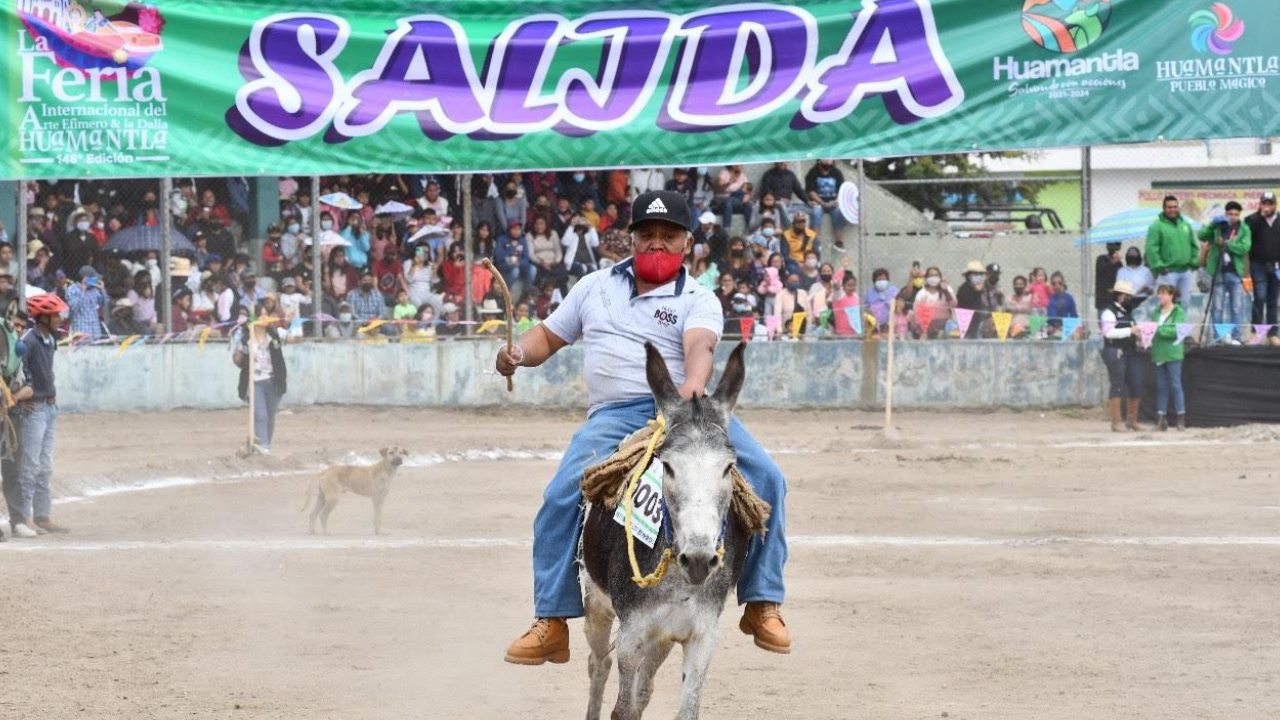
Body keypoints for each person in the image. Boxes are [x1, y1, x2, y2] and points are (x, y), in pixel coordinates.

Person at [496, 190, 790, 664]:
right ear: (629, 239)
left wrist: (691, 392)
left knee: (769, 478)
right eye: (646, 234)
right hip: (613, 417)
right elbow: (548, 336)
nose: (657, 244)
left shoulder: (699, 298)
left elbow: (700, 347)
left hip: (687, 409)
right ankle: (551, 619)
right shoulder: (593, 287)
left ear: (687, 243)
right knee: (559, 496)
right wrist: (517, 355)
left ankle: (762, 601)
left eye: (668, 236)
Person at [15, 293, 71, 535]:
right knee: (30, 465)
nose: (59, 318)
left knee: (45, 465)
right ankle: (24, 516)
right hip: (35, 407)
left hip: (48, 406)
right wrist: (20, 401)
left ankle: (42, 514)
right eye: (55, 315)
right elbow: (18, 372)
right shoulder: (29, 341)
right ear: (43, 317)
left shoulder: (50, 339)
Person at [232, 304, 292, 453]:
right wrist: (238, 356)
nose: (265, 317)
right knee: (260, 415)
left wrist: (293, 324)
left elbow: (295, 338)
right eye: (261, 315)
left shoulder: (275, 334)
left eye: (266, 314)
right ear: (254, 319)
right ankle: (263, 447)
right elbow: (238, 361)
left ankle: (261, 443)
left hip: (274, 382)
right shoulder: (245, 338)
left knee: (270, 416)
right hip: (254, 383)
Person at [1, 297, 34, 539]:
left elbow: (30, 386)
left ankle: (18, 521)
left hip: (12, 416)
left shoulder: (19, 357)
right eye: (16, 325)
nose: (18, 330)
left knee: (13, 470)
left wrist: (10, 396)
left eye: (22, 326)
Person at [1198, 201, 1252, 345]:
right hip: (1218, 271)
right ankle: (1217, 337)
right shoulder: (1218, 226)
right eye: (1230, 214)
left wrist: (1227, 244)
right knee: (1217, 307)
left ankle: (1236, 337)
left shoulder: (1244, 229)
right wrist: (1212, 225)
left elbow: (1245, 247)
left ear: (1239, 215)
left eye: (1236, 214)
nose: (1233, 217)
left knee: (1237, 306)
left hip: (1235, 272)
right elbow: (1201, 236)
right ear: (1225, 214)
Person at [1099, 281, 1143, 432]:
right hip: (1114, 350)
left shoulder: (1128, 313)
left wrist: (1141, 335)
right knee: (1117, 384)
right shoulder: (1108, 312)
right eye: (1127, 295)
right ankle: (1116, 421)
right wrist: (1130, 330)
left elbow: (1133, 331)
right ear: (1121, 295)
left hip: (1130, 350)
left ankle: (1132, 420)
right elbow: (1108, 332)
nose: (1129, 298)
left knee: (1136, 384)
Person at [1145, 196, 1199, 310]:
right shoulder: (1156, 226)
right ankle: (1166, 328)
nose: (1172, 210)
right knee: (1166, 304)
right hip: (1168, 273)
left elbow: (1194, 245)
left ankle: (1180, 328)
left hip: (1186, 272)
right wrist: (1160, 267)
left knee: (1185, 304)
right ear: (1164, 208)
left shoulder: (1185, 225)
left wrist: (1193, 262)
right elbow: (1151, 249)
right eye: (1169, 207)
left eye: (1175, 207)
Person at [1150, 284, 1188, 431]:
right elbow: (1152, 329)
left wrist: (1158, 330)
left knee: (1176, 385)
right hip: (1159, 352)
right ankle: (1161, 419)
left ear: (1172, 295)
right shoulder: (1156, 312)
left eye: (1164, 293)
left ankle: (1181, 419)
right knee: (1161, 387)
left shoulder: (1179, 311)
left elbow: (1176, 331)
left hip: (1173, 353)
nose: (1161, 296)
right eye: (1159, 293)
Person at [1246, 192, 1280, 342]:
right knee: (1260, 297)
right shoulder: (1252, 220)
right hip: (1258, 265)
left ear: (1275, 205)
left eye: (1270, 203)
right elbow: (1247, 236)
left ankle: (1273, 334)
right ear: (1260, 204)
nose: (1267, 206)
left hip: (1277, 266)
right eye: (1264, 203)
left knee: (1273, 300)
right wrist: (1260, 216)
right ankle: (1256, 332)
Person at [804, 159, 847, 248]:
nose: (828, 162)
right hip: (818, 202)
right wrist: (821, 202)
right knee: (816, 212)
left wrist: (837, 201)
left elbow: (841, 189)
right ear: (819, 161)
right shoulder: (812, 173)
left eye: (829, 160)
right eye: (825, 160)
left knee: (839, 211)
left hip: (833, 202)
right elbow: (810, 191)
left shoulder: (837, 172)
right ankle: (816, 242)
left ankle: (839, 242)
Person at [913, 267, 955, 339]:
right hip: (927, 327)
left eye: (936, 275)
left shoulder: (948, 289)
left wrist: (945, 291)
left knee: (955, 332)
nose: (934, 277)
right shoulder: (922, 293)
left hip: (945, 325)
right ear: (926, 278)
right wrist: (924, 330)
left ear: (940, 277)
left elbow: (954, 304)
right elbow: (917, 313)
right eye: (931, 275)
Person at [66, 265, 106, 340]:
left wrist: (102, 290)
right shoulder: (72, 289)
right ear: (85, 278)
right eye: (93, 279)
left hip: (95, 331)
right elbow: (74, 308)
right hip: (81, 332)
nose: (95, 280)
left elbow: (103, 303)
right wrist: (83, 290)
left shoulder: (94, 290)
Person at [955, 261, 991, 339]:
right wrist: (977, 292)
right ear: (969, 276)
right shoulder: (964, 289)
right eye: (975, 274)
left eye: (981, 274)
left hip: (981, 322)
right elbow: (971, 307)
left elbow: (989, 305)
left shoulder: (985, 287)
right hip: (966, 324)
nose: (979, 277)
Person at [1116, 247, 1155, 313]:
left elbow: (1151, 291)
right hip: (1127, 301)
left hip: (1143, 300)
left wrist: (1147, 289)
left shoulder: (1146, 271)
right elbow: (1120, 290)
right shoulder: (1122, 271)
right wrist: (1137, 291)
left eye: (1134, 254)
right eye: (1130, 254)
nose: (1132, 256)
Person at [863, 268, 898, 334]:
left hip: (890, 326)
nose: (882, 281)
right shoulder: (868, 293)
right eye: (879, 279)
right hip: (874, 327)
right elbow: (866, 309)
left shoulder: (894, 291)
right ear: (874, 281)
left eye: (884, 279)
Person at [1046, 272, 1079, 339]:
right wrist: (1049, 326)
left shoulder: (1069, 298)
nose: (1057, 286)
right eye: (1054, 284)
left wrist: (1066, 328)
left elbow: (1074, 316)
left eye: (1059, 283)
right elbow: (1046, 316)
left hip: (1064, 329)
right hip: (1051, 329)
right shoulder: (1049, 298)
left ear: (1063, 283)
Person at [1094, 242, 1123, 314]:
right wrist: (1113, 261)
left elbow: (1121, 279)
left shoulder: (1119, 264)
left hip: (1114, 299)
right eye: (1111, 245)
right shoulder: (1101, 259)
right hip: (1102, 299)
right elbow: (1102, 269)